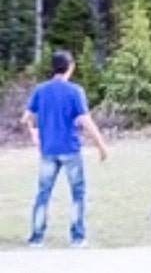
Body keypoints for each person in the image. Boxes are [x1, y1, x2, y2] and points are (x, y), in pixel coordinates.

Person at [20, 49, 109, 247]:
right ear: (71, 67)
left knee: (43, 193)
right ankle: (77, 237)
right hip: (70, 149)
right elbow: (86, 121)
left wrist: (34, 132)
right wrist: (101, 146)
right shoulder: (75, 91)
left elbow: (26, 118)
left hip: (48, 150)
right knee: (77, 193)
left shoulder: (40, 90)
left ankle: (36, 237)